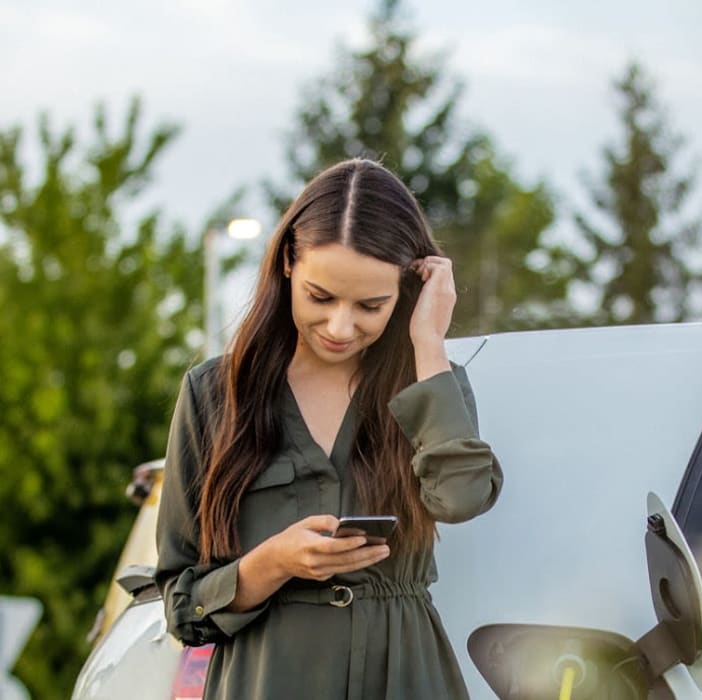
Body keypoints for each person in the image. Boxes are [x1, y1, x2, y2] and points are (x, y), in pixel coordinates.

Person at [153, 158, 503, 698]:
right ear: (288, 262)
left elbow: (461, 497)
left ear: (407, 290)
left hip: (406, 679)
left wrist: (429, 342)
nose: (341, 327)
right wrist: (272, 563)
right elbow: (183, 606)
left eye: (371, 305)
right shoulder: (213, 395)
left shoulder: (433, 384)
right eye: (321, 297)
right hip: (268, 681)